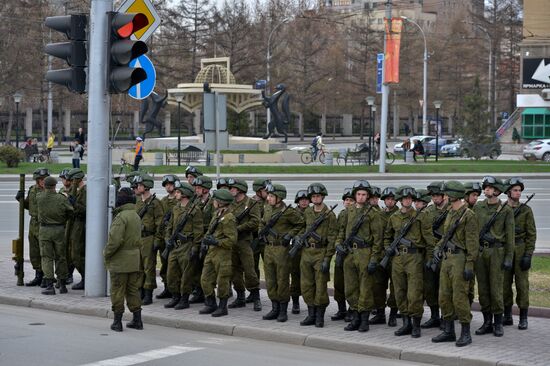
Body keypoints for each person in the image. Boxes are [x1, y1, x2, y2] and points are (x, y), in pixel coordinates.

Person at [431, 181, 479, 347]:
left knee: (459, 296)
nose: (445, 196)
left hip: (460, 258)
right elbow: (445, 236)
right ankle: (449, 331)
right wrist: (437, 248)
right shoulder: (450, 211)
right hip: (446, 258)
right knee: (444, 296)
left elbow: (473, 244)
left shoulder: (468, 215)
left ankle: (466, 332)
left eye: (447, 193)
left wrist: (469, 265)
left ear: (455, 194)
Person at [384, 186, 435, 338]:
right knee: (400, 292)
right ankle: (406, 323)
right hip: (398, 258)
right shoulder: (394, 218)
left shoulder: (421, 216)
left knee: (414, 293)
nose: (407, 201)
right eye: (404, 198)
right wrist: (388, 248)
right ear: (399, 200)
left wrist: (429, 259)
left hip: (415, 258)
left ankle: (416, 324)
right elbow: (387, 237)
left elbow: (429, 240)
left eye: (410, 199)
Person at [335, 180, 384, 332]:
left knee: (365, 288)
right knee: (351, 287)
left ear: (368, 196)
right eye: (358, 194)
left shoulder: (373, 213)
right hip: (349, 253)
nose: (361, 197)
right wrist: (338, 245)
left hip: (365, 253)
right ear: (354, 195)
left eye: (364, 194)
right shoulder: (349, 211)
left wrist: (374, 259)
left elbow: (378, 239)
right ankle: (355, 316)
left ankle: (364, 320)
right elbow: (341, 231)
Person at [473, 176, 514, 337]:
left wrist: (509, 257)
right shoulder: (478, 207)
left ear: (497, 190)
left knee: (496, 289)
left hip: (497, 252)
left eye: (489, 187)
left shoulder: (506, 210)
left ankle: (498, 323)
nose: (486, 190)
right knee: (483, 289)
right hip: (481, 252)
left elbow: (510, 237)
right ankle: (487, 322)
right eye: (485, 187)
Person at [295, 183, 337, 328]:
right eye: (313, 196)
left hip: (321, 252)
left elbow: (332, 237)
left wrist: (327, 258)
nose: (315, 198)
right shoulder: (307, 212)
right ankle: (311, 314)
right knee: (306, 285)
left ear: (323, 197)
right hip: (306, 252)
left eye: (318, 196)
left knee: (320, 286)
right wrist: (299, 237)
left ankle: (319, 316)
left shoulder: (330, 215)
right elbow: (302, 228)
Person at [260, 183, 304, 322]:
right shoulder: (267, 208)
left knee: (282, 280)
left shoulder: (288, 212)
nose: (269, 198)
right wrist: (261, 232)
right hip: (268, 248)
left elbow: (301, 224)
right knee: (270, 280)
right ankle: (274, 308)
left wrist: (290, 235)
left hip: (281, 249)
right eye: (269, 196)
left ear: (279, 197)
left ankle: (283, 310)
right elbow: (262, 222)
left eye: (272, 196)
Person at [104, 187, 143, 332]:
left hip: (120, 260)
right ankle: (137, 320)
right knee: (132, 290)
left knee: (117, 290)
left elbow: (115, 241)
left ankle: (117, 322)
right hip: (134, 259)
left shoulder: (121, 217)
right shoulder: (135, 215)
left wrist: (106, 253)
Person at [163, 181, 203, 310]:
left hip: (187, 245)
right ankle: (175, 296)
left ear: (185, 194)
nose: (176, 193)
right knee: (171, 274)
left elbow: (198, 231)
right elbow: (170, 226)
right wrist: (168, 239)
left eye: (179, 192)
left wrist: (195, 247)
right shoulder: (176, 208)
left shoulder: (194, 210)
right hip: (175, 245)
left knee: (186, 275)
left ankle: (184, 298)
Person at [503, 177, 536, 330]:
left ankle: (523, 317)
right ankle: (507, 315)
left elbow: (531, 234)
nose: (518, 193)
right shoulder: (502, 209)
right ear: (508, 192)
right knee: (504, 284)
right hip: (505, 250)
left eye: (520, 190)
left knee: (522, 285)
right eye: (515, 190)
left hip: (521, 248)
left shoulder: (526, 210)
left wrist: (528, 255)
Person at [199, 189, 238, 317]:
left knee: (222, 281)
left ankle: (222, 307)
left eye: (215, 200)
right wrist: (206, 241)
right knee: (205, 279)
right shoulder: (217, 214)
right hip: (211, 252)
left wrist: (216, 242)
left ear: (221, 202)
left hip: (222, 254)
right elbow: (210, 231)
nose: (213, 202)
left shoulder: (229, 218)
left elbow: (232, 240)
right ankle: (210, 303)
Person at [227, 178, 262, 312]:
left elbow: (255, 221)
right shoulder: (230, 203)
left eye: (233, 188)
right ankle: (240, 297)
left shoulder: (251, 203)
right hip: (232, 242)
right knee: (234, 270)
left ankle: (256, 296)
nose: (230, 190)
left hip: (244, 241)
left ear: (240, 189)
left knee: (249, 269)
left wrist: (239, 228)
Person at [36, 176, 74, 295]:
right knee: (60, 257)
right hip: (59, 230)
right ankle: (62, 285)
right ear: (54, 185)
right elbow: (71, 211)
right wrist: (63, 219)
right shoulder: (61, 198)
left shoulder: (39, 197)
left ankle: (49, 285)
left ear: (44, 185)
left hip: (44, 230)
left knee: (46, 257)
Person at [15, 168, 49, 287]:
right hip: (33, 223)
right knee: (34, 251)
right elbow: (28, 205)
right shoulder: (32, 190)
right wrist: (20, 200)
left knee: (44, 251)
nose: (43, 181)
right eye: (41, 179)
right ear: (37, 180)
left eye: (45, 179)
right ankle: (38, 275)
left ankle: (46, 276)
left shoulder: (49, 191)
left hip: (44, 223)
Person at [422, 181, 450, 329]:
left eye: (437, 195)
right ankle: (434, 316)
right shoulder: (428, 211)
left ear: (444, 195)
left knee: (444, 288)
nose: (435, 198)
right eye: (433, 196)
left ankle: (446, 317)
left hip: (446, 253)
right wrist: (433, 248)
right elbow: (425, 232)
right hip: (431, 253)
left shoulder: (452, 210)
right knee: (430, 286)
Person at [133, 174, 164, 305]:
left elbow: (160, 223)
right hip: (138, 237)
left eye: (140, 185)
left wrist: (157, 239)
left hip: (149, 237)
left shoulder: (155, 203)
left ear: (146, 187)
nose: (137, 187)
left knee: (148, 267)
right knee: (138, 266)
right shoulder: (138, 200)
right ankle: (139, 289)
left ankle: (148, 292)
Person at [371, 187, 399, 327]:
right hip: (380, 255)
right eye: (387, 199)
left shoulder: (400, 215)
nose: (390, 201)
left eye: (392, 199)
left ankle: (393, 314)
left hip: (395, 257)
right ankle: (380, 313)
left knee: (395, 287)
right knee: (378, 286)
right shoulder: (379, 215)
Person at [331, 188, 354, 322]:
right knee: (338, 283)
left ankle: (352, 309)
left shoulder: (356, 215)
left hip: (351, 253)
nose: (348, 202)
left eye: (351, 200)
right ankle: (341, 309)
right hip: (341, 252)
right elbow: (337, 232)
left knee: (351, 284)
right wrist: (337, 245)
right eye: (346, 200)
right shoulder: (341, 214)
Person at [156, 174, 180, 300]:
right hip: (165, 237)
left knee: (176, 266)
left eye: (170, 184)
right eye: (166, 185)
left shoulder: (180, 200)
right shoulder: (163, 201)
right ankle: (167, 288)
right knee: (164, 264)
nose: (168, 186)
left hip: (176, 238)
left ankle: (177, 290)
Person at [67, 168, 87, 290]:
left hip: (80, 224)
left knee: (76, 254)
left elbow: (85, 210)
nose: (71, 182)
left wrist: (74, 204)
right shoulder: (77, 189)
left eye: (73, 179)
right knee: (72, 252)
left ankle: (85, 277)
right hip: (74, 223)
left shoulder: (85, 190)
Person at [291, 189, 310, 314]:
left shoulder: (312, 212)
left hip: (308, 249)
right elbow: (288, 228)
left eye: (306, 199)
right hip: (295, 249)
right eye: (301, 200)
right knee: (295, 276)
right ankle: (295, 302)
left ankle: (310, 304)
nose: (304, 202)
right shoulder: (292, 213)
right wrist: (295, 236)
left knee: (308, 277)